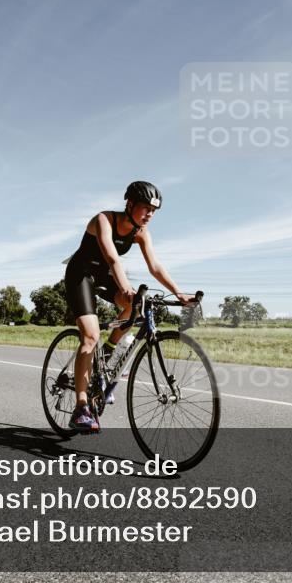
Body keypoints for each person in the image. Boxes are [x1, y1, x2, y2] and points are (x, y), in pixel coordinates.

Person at [63, 181, 195, 433]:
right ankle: (81, 407)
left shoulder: (141, 233)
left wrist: (178, 293)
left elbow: (154, 266)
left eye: (154, 211)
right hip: (81, 274)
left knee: (138, 305)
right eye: (146, 208)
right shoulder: (104, 220)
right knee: (90, 336)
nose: (150, 215)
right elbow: (112, 257)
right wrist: (124, 287)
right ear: (130, 204)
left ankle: (111, 349)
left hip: (104, 276)